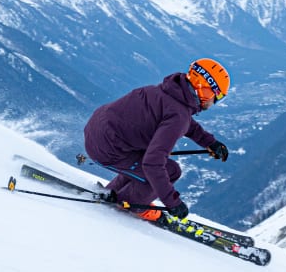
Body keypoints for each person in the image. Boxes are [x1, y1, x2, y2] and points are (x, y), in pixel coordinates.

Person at [83, 58, 230, 224]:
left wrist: (210, 142)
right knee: (170, 171)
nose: (214, 102)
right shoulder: (178, 116)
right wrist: (173, 202)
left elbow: (181, 119)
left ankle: (115, 192)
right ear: (205, 91)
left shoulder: (167, 92)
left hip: (98, 131)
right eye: (217, 97)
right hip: (106, 149)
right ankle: (130, 204)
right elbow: (153, 164)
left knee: (149, 162)